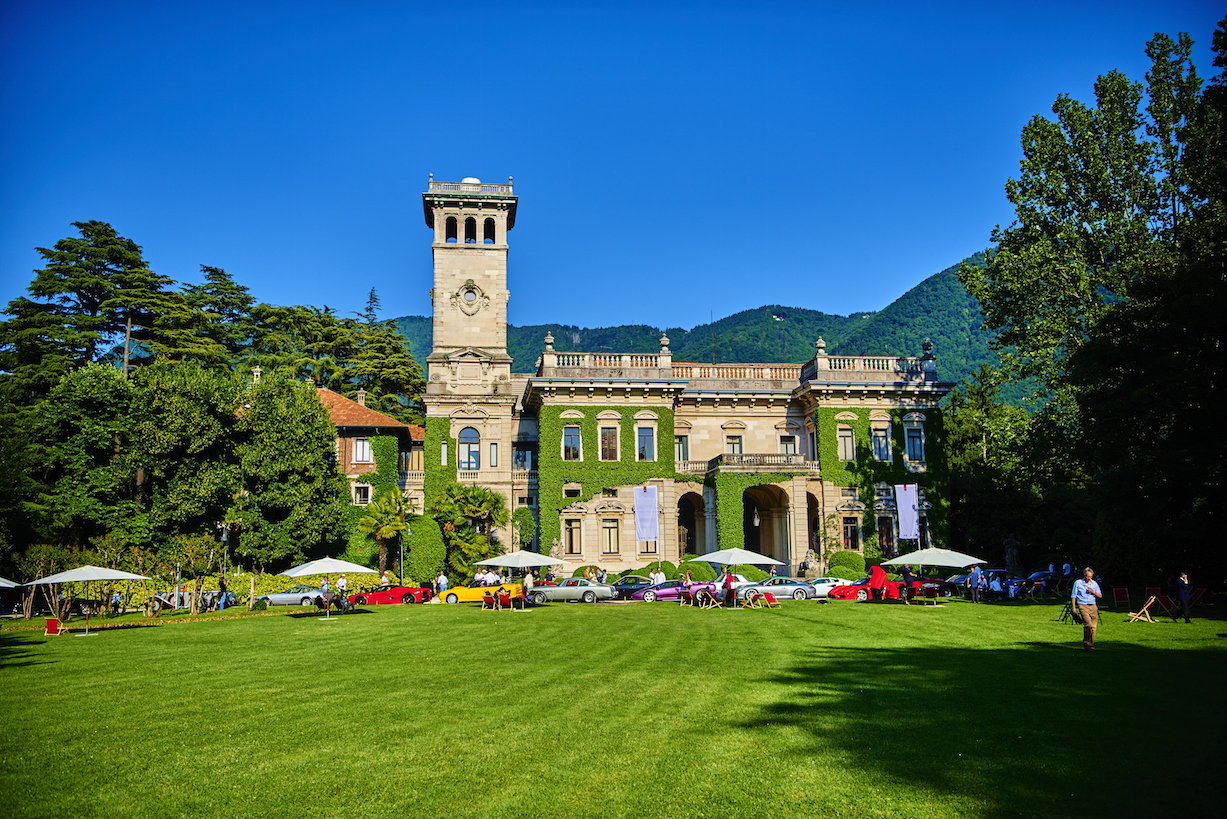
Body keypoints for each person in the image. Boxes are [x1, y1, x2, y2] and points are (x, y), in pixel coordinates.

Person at [1072, 567, 1103, 650]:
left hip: (1093, 606)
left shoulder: (1094, 584)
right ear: (1084, 575)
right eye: (1087, 576)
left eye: (1090, 576)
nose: (1088, 578)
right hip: (1083, 605)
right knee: (1088, 624)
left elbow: (1100, 595)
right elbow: (1073, 596)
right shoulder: (1078, 583)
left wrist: (1093, 592)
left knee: (1093, 627)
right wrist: (1074, 607)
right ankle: (1086, 642)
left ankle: (1091, 645)